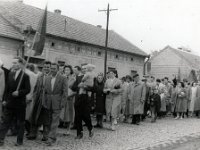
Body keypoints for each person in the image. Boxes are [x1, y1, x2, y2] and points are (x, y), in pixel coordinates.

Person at [0, 56, 30, 146]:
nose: (13, 65)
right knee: (5, 121)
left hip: (20, 104)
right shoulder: (10, 74)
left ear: (21, 64)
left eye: (15, 63)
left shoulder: (25, 76)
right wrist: (4, 99)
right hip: (9, 103)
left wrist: (19, 92)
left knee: (20, 123)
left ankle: (19, 141)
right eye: (12, 63)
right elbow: (7, 89)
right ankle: (1, 139)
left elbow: (27, 89)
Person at [27, 61, 51, 141]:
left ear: (50, 68)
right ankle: (33, 133)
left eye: (48, 67)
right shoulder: (40, 76)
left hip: (48, 100)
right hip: (38, 99)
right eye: (45, 67)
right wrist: (33, 96)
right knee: (35, 116)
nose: (46, 68)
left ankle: (45, 135)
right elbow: (36, 87)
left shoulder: (52, 77)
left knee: (46, 118)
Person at [45, 63, 68, 145]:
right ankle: (50, 136)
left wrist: (63, 103)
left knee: (55, 121)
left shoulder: (63, 78)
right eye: (51, 68)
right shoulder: (47, 78)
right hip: (48, 102)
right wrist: (44, 101)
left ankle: (51, 138)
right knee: (48, 120)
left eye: (54, 68)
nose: (52, 70)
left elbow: (65, 92)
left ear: (58, 69)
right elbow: (45, 91)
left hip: (57, 103)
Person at [71, 64, 94, 139]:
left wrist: (85, 87)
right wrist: (77, 85)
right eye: (83, 68)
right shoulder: (78, 77)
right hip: (78, 98)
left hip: (86, 98)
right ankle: (79, 133)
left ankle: (90, 128)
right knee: (78, 116)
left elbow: (93, 88)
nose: (84, 70)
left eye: (85, 68)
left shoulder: (90, 76)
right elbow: (73, 87)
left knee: (86, 116)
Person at [60, 65, 76, 135]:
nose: (66, 71)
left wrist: (71, 94)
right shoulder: (61, 77)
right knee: (60, 113)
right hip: (62, 98)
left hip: (70, 98)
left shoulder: (73, 79)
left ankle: (68, 129)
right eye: (65, 70)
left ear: (70, 71)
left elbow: (74, 89)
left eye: (68, 70)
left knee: (69, 113)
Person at [25, 63, 38, 136]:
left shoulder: (31, 75)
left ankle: (30, 131)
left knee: (28, 116)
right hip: (28, 97)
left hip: (28, 97)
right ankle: (29, 131)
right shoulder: (33, 74)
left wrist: (29, 97)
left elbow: (32, 87)